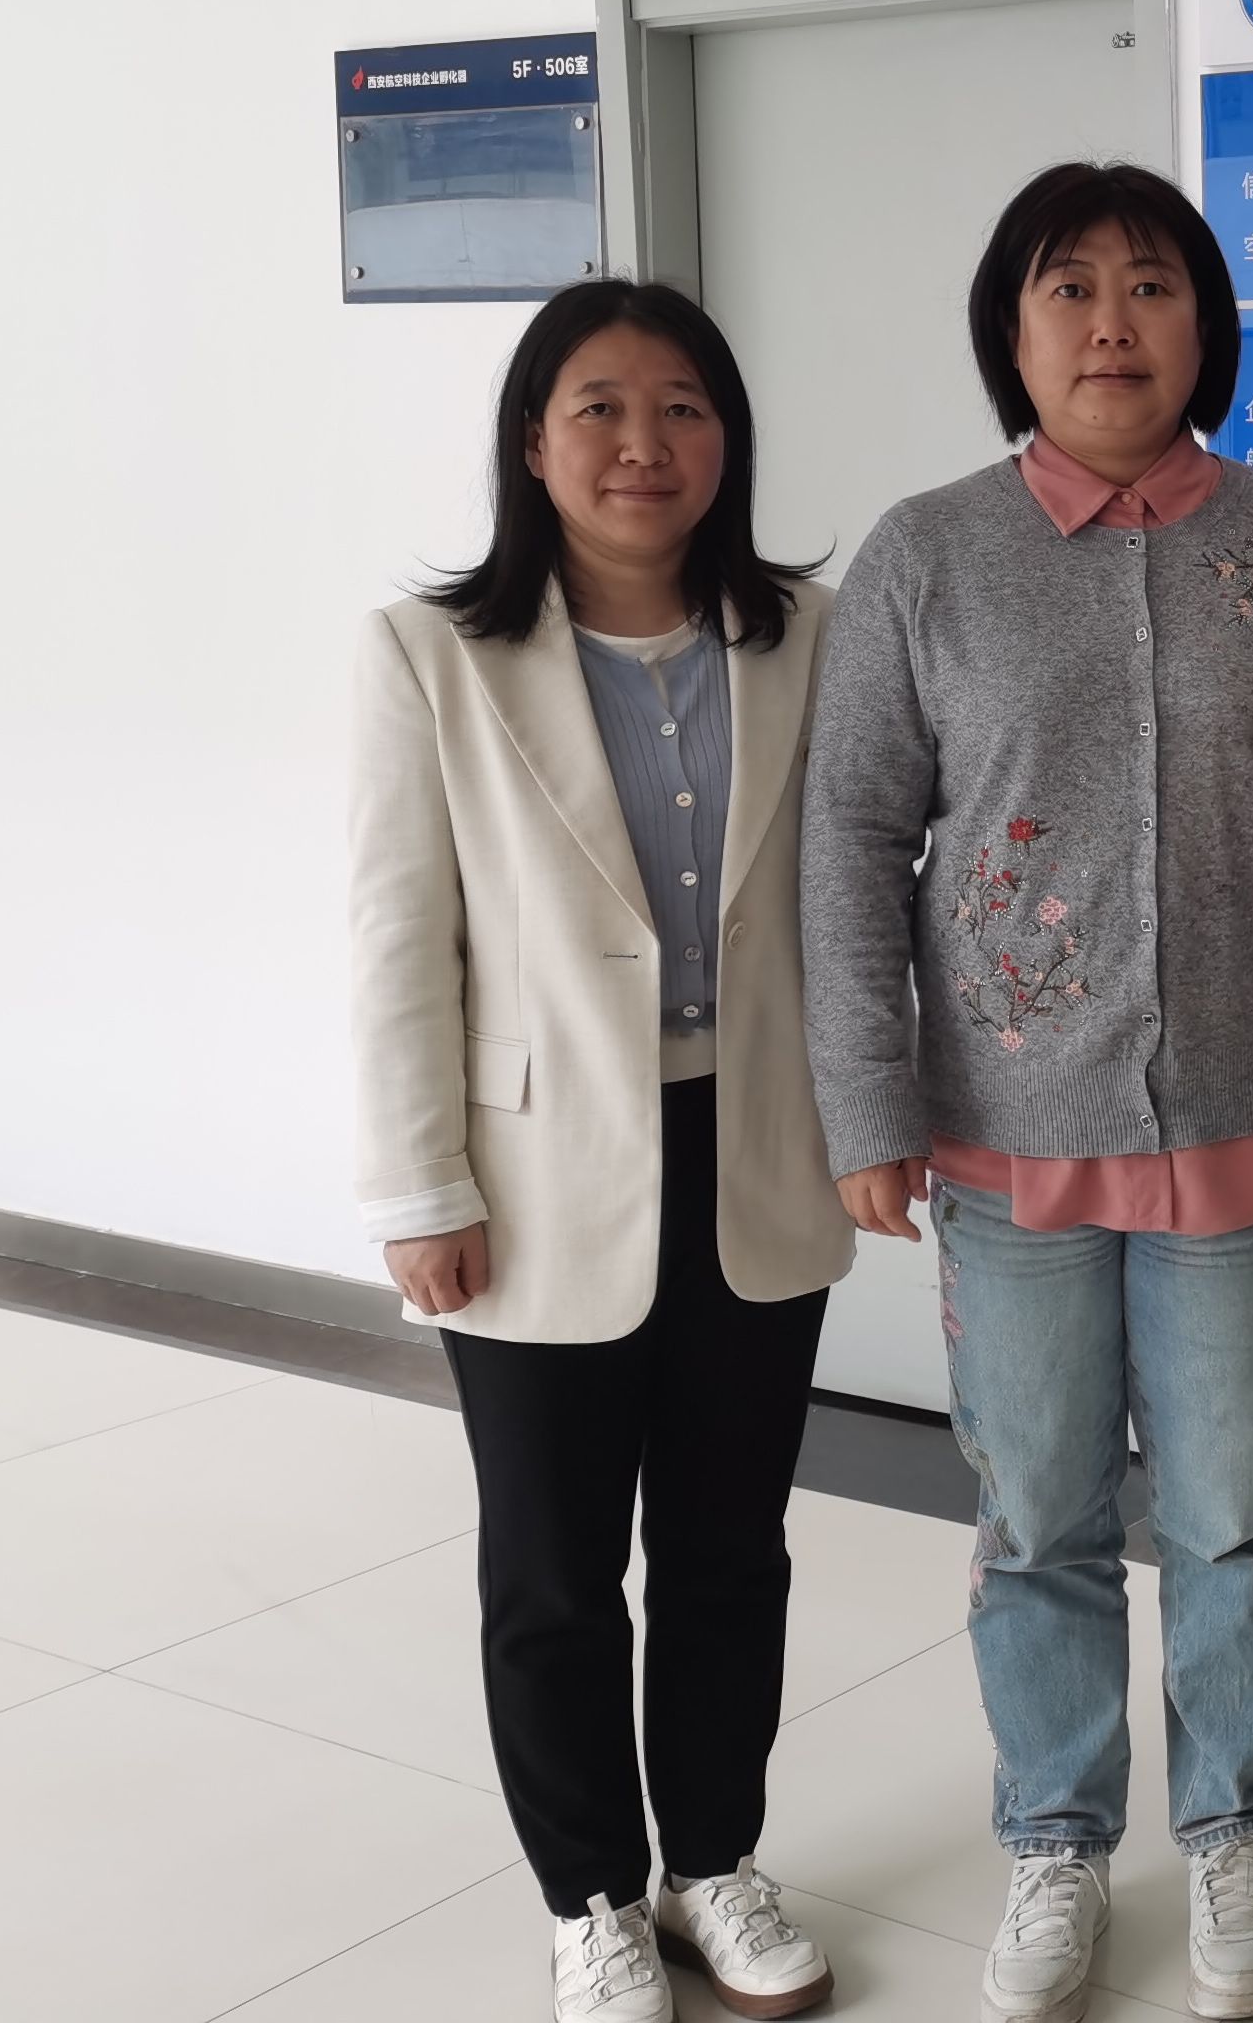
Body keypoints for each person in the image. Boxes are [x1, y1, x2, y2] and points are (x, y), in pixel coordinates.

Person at [801, 161, 1253, 2023]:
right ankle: (1057, 1841)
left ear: (1206, 324)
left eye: (1152, 287)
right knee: (1038, 1515)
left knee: (1229, 1510)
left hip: (1245, 1114)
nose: (1113, 325)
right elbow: (850, 839)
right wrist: (866, 1101)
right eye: (1068, 288)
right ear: (1013, 328)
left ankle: (1231, 1826)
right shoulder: (924, 555)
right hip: (1010, 1134)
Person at [352, 280, 852, 2023]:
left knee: (731, 1549)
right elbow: (399, 936)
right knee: (554, 1571)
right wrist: (420, 1185)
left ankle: (713, 1860)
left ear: (729, 438)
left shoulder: (811, 632)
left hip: (755, 1148)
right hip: (536, 1171)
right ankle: (589, 1894)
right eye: (601, 409)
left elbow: (864, 899)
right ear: (533, 440)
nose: (646, 445)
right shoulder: (432, 653)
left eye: (684, 408)